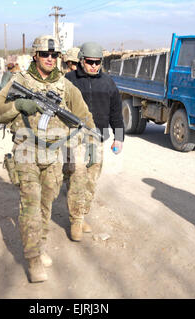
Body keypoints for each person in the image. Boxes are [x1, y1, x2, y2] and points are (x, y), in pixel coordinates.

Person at [0, 35, 96, 283]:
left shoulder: (65, 86)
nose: (50, 59)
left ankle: (40, 244)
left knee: (45, 206)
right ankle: (33, 259)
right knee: (30, 204)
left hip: (53, 155)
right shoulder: (20, 81)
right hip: (26, 150)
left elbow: (84, 116)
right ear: (36, 56)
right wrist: (19, 106)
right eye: (45, 55)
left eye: (54, 55)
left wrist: (92, 143)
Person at [65, 42, 124, 241]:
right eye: (90, 62)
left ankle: (81, 216)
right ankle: (75, 221)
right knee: (78, 177)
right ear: (81, 60)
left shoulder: (108, 83)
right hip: (75, 138)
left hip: (97, 138)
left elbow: (116, 111)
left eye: (97, 62)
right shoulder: (69, 81)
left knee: (91, 181)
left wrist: (119, 137)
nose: (93, 66)